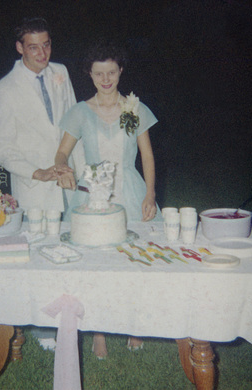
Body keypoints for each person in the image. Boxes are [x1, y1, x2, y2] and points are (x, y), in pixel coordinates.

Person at [54, 41, 161, 358]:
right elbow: (63, 150)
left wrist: (151, 194)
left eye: (111, 72)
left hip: (130, 189)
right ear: (89, 73)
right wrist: (60, 166)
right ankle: (98, 330)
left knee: (133, 258)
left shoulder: (135, 108)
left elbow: (148, 157)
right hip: (94, 196)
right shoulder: (80, 112)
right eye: (99, 73)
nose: (105, 79)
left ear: (120, 71)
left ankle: (133, 324)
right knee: (95, 261)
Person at [0, 17, 82, 350]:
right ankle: (44, 326)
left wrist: (77, 167)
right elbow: (3, 148)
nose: (42, 53)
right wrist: (38, 172)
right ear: (19, 48)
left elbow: (73, 120)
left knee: (72, 247)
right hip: (33, 182)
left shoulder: (61, 72)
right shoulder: (4, 89)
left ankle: (71, 316)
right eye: (33, 46)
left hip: (68, 175)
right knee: (41, 253)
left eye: (46, 44)